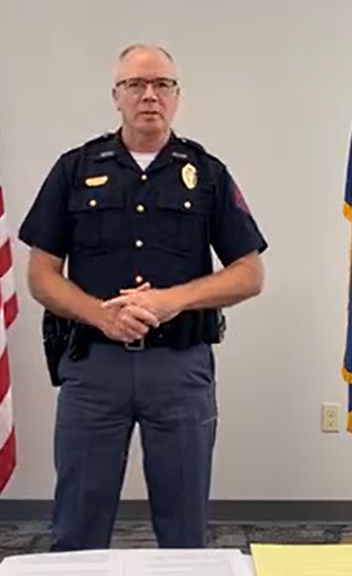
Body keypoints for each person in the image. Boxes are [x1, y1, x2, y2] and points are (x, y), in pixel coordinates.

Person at [17, 43, 268, 551]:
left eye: (161, 85)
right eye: (135, 84)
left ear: (177, 96)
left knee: (184, 522)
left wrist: (173, 299)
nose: (149, 95)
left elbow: (249, 273)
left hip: (179, 366)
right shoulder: (74, 168)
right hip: (93, 366)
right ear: (116, 96)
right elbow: (41, 274)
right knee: (78, 521)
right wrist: (99, 316)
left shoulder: (207, 173)